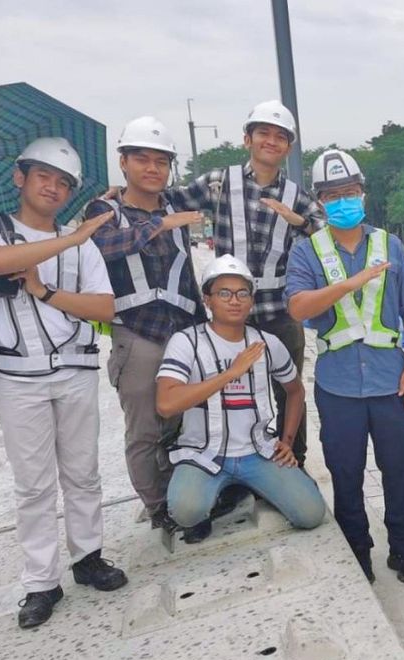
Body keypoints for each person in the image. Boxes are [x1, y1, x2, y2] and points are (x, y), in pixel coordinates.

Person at [0, 137, 126, 629]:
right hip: (18, 378)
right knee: (33, 485)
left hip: (75, 372)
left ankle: (88, 557)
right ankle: (40, 582)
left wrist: (46, 289)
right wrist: (72, 239)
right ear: (21, 177)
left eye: (63, 182)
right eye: (44, 177)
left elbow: (104, 307)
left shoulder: (83, 250)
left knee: (82, 473)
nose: (53, 187)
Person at [286, 149, 404, 584]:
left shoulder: (390, 245)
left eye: (350, 191)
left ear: (363, 192)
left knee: (399, 474)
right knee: (346, 477)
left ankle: (403, 551)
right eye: (333, 194)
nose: (344, 200)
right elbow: (297, 306)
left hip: (391, 382)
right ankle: (359, 552)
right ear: (320, 201)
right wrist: (347, 284)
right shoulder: (307, 252)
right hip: (338, 385)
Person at [167, 100, 322, 468]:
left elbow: (326, 233)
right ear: (247, 139)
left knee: (289, 389)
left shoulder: (296, 195)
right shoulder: (220, 184)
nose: (271, 141)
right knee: (226, 386)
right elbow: (169, 200)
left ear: (289, 146)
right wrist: (120, 197)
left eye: (280, 137)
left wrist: (298, 220)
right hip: (230, 313)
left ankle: (292, 459)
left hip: (278, 312)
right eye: (263, 133)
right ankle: (222, 459)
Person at [85, 117, 206, 537]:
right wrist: (158, 224)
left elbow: (185, 271)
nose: (152, 168)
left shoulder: (173, 206)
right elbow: (103, 247)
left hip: (181, 330)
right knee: (145, 428)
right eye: (143, 159)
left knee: (183, 419)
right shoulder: (105, 210)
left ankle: (183, 494)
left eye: (161, 162)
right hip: (137, 334)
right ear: (124, 162)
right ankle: (158, 507)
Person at [156, 254, 326, 533]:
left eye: (242, 293)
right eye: (224, 293)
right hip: (203, 454)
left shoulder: (267, 343)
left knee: (311, 514)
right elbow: (166, 404)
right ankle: (226, 492)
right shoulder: (186, 342)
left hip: (257, 452)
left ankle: (247, 487)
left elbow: (295, 391)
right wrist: (229, 374)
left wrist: (287, 440)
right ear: (207, 300)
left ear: (251, 300)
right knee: (186, 513)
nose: (234, 300)